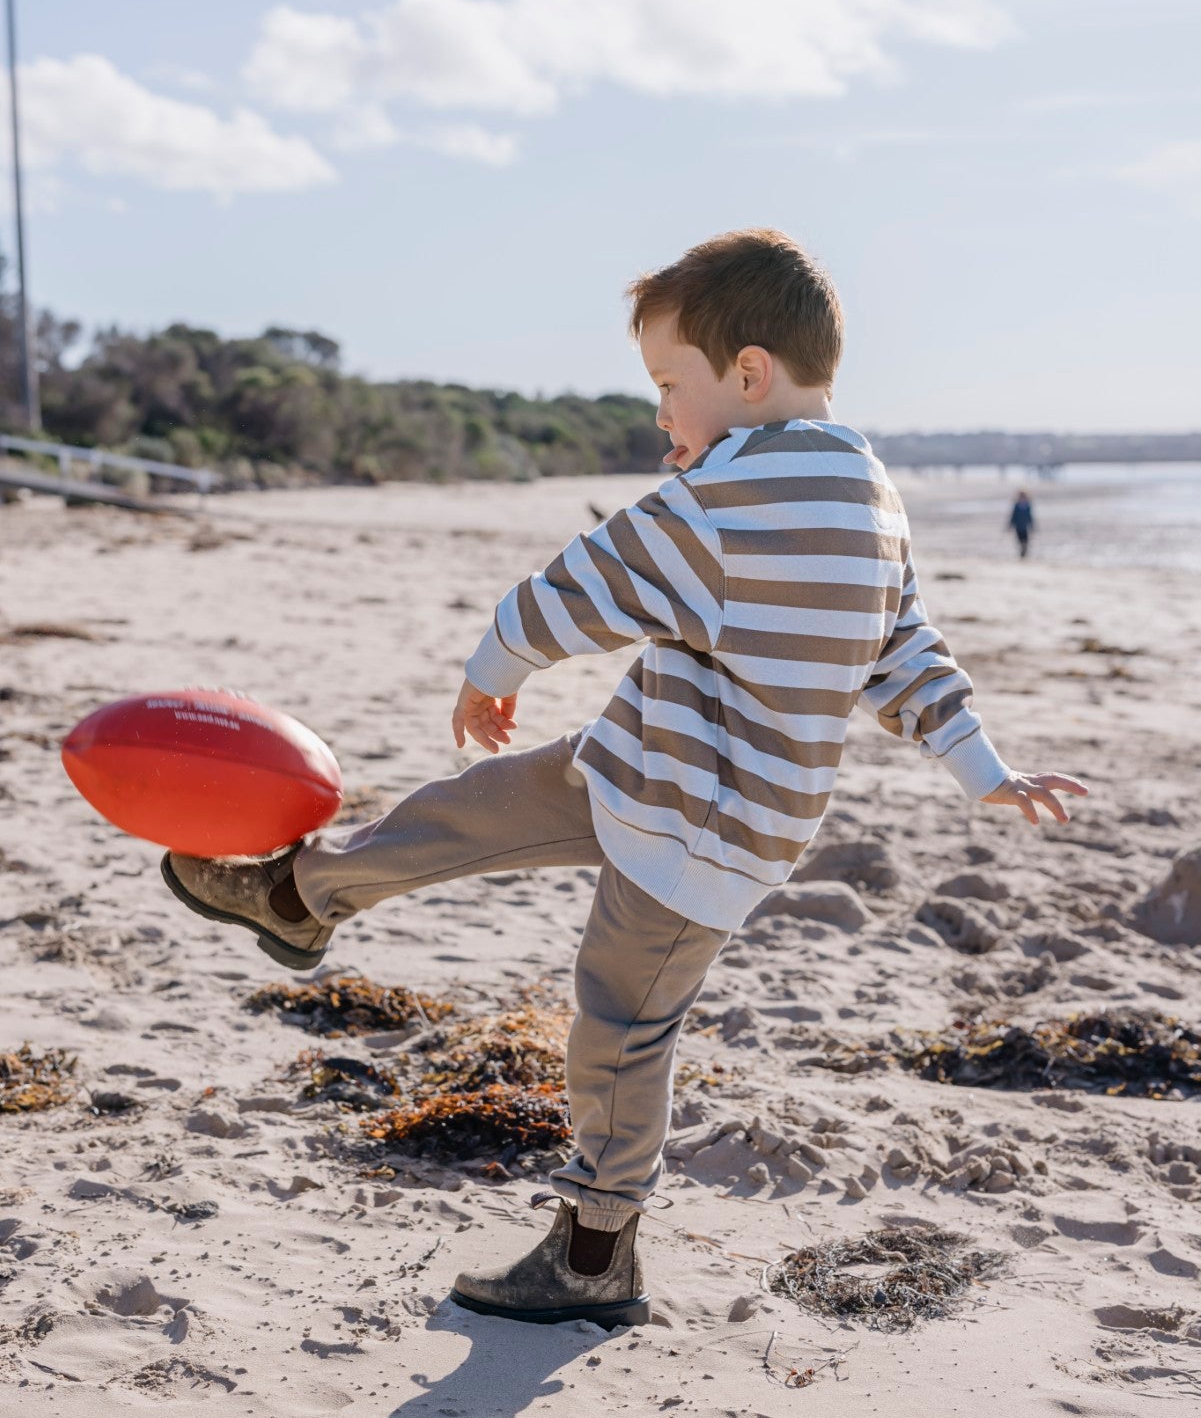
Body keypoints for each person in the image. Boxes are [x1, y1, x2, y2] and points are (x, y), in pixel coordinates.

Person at [160, 229, 1087, 1328]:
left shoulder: (727, 498)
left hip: (703, 832)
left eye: (667, 386)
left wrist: (488, 671)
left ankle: (597, 1253)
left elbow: (579, 583)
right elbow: (904, 647)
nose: (660, 416)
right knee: (466, 815)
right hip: (641, 765)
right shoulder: (866, 493)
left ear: (746, 375)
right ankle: (296, 898)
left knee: (618, 1026)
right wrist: (979, 764)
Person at [1009, 489, 1035, 557]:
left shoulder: (1027, 506)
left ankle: (1024, 552)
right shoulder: (1017, 505)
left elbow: (1030, 516)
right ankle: (1022, 552)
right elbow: (1013, 516)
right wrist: (1010, 525)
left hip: (1025, 527)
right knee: (1020, 541)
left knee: (1025, 541)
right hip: (1018, 526)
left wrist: (1032, 525)